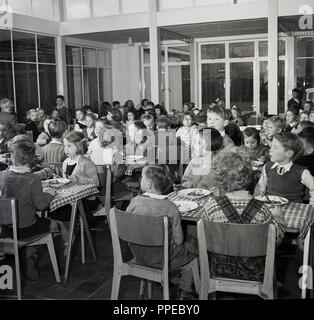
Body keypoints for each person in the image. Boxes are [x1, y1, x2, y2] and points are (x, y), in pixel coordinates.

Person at [201, 152, 285, 282]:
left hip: (219, 269)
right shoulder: (262, 210)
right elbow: (275, 241)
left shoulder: (211, 207)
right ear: (249, 176)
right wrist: (278, 218)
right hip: (255, 272)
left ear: (220, 179)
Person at [126, 164, 198, 299]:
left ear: (148, 184)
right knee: (193, 251)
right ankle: (186, 289)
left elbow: (127, 225)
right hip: (163, 258)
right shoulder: (171, 207)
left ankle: (168, 281)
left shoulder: (135, 202)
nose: (140, 180)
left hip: (138, 254)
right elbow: (178, 240)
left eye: (141, 177)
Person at [0, 137, 57, 280]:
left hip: (6, 229)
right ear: (32, 159)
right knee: (52, 224)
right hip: (26, 229)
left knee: (29, 222)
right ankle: (30, 255)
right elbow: (41, 205)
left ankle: (23, 256)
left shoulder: (2, 176)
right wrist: (50, 193)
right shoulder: (33, 178)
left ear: (12, 157)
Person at [48, 131, 99, 255]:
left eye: (69, 146)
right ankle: (68, 236)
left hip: (86, 199)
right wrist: (59, 179)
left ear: (79, 146)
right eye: (65, 146)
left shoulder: (86, 162)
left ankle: (69, 240)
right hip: (70, 196)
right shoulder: (66, 162)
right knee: (57, 210)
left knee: (64, 212)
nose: (66, 149)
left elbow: (96, 182)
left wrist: (80, 180)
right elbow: (67, 180)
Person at [254, 132, 314, 203]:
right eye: (271, 146)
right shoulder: (267, 167)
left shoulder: (301, 172)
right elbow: (261, 188)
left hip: (293, 209)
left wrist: (312, 205)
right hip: (271, 207)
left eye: (275, 147)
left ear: (289, 153)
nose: (270, 149)